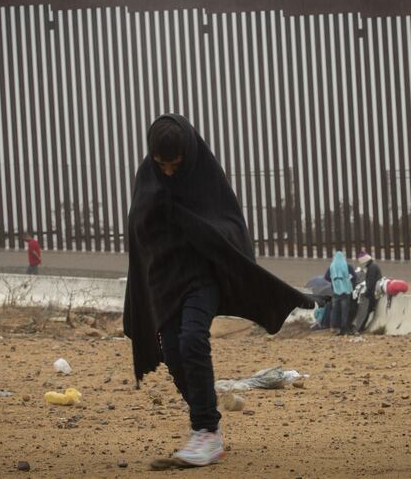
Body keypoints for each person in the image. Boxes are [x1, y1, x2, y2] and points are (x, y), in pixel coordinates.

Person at [124, 114, 311, 467]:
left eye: (174, 164)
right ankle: (205, 423)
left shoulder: (207, 178)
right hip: (164, 280)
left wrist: (190, 225)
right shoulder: (146, 178)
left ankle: (206, 432)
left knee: (193, 338)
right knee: (175, 353)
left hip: (202, 275)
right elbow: (139, 231)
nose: (167, 172)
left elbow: (229, 224)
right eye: (160, 164)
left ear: (187, 155)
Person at [323, 251, 356, 335]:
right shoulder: (348, 266)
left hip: (336, 291)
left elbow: (326, 277)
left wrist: (334, 281)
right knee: (344, 310)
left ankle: (333, 327)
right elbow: (354, 276)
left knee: (334, 310)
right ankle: (344, 328)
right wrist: (349, 282)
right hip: (346, 291)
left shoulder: (332, 266)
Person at [352, 250, 382, 333]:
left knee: (365, 311)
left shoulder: (371, 268)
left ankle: (360, 328)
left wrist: (367, 293)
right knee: (367, 311)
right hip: (373, 292)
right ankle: (361, 327)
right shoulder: (373, 266)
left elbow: (371, 282)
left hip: (371, 294)